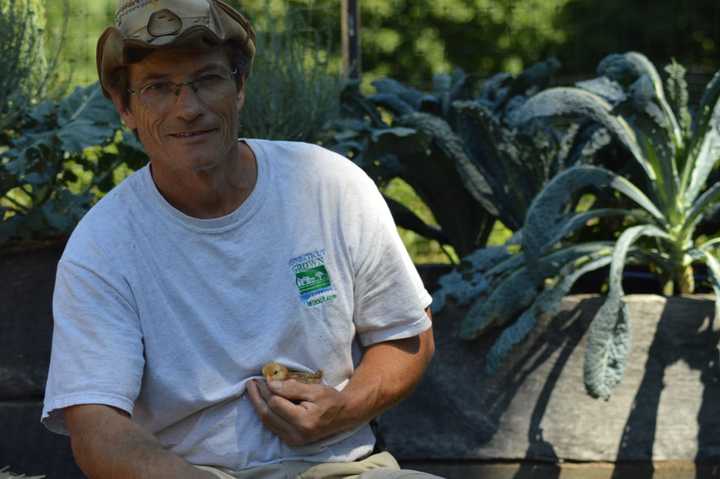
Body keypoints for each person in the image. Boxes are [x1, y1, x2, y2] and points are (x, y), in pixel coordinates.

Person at [41, 1, 438, 478]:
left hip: (343, 469)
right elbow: (97, 428)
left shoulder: (329, 185)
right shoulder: (101, 246)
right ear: (125, 107)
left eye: (208, 79)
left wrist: (344, 407)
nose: (188, 108)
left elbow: (407, 338)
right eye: (158, 88)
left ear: (241, 87)